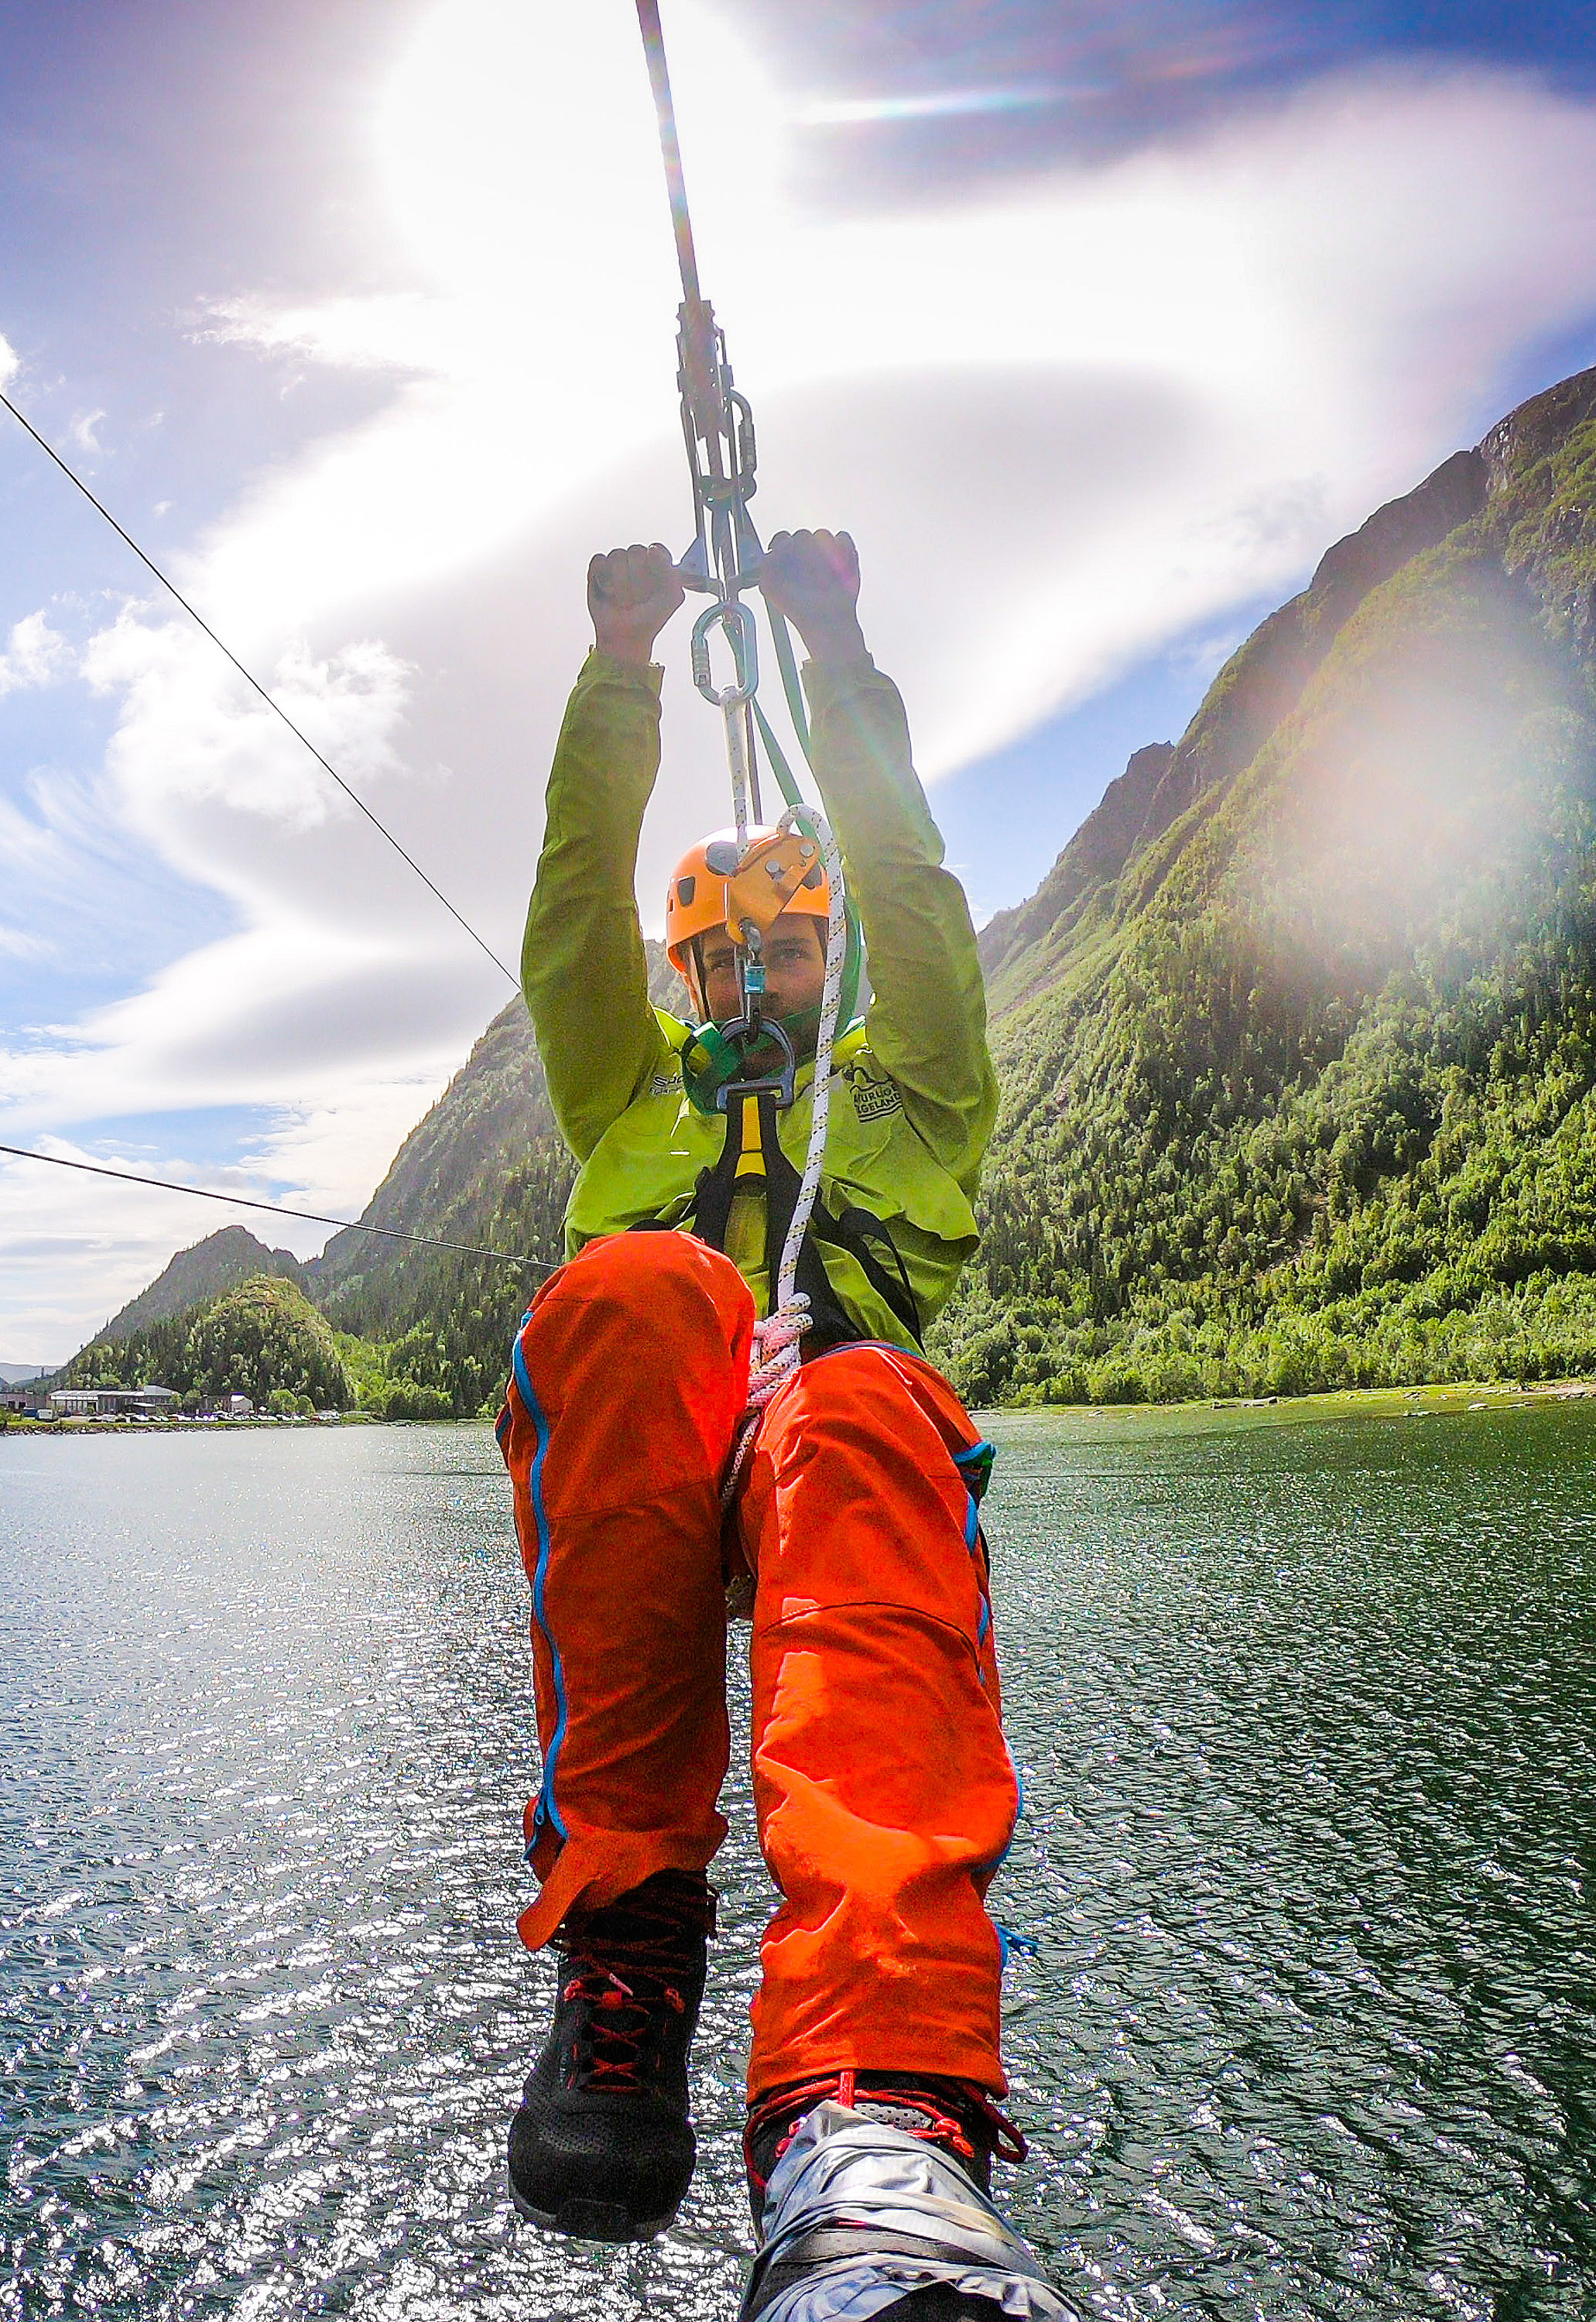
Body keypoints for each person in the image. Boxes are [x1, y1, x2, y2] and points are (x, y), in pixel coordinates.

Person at [499, 531, 1076, 2320]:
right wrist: (619, 666)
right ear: (687, 976)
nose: (752, 981)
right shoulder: (626, 1102)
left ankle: (875, 2102)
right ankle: (633, 1941)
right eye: (722, 957)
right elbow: (570, 908)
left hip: (836, 1477)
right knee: (626, 1298)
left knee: (856, 1393)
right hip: (657, 1478)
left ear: (832, 958)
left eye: (787, 949)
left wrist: (831, 645)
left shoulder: (915, 1089)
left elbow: (908, 870)